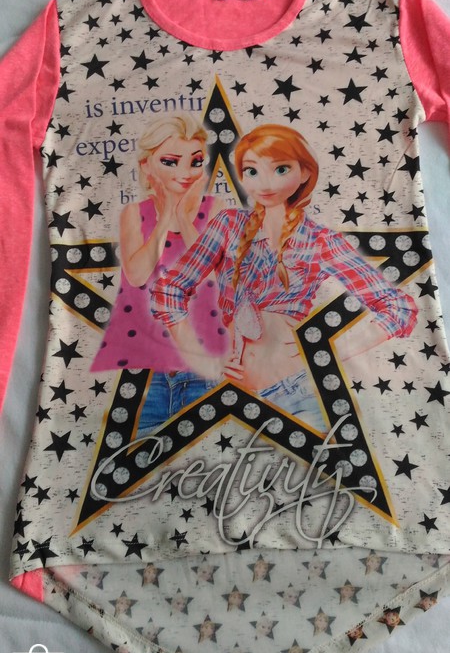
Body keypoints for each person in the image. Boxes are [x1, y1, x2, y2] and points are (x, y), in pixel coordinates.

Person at [151, 124, 418, 431]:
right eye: (252, 171)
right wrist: (201, 357)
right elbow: (170, 288)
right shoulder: (228, 225)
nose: (265, 183)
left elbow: (399, 308)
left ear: (304, 172)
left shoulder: (321, 241)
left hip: (296, 394)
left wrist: (331, 350)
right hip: (223, 390)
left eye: (280, 169)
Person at [91, 113, 227, 436]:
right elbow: (137, 275)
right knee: (139, 454)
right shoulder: (133, 214)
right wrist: (165, 217)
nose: (185, 172)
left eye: (195, 162)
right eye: (170, 161)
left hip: (205, 361)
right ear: (146, 165)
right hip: (145, 368)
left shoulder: (214, 208)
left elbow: (211, 273)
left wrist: (184, 217)